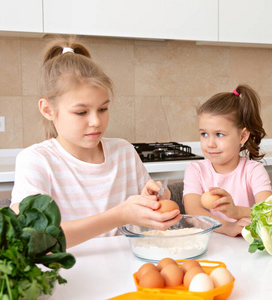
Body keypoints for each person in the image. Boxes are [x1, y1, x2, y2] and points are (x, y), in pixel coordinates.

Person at [10, 37, 181, 248]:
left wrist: (153, 199)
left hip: (126, 267)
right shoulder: (37, 161)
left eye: (103, 109)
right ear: (48, 110)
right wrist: (119, 215)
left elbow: (144, 217)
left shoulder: (123, 152)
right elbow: (34, 238)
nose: (96, 121)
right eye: (81, 112)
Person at [183, 85, 272, 237]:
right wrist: (227, 227)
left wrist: (236, 211)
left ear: (242, 136)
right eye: (204, 134)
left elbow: (269, 212)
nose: (210, 143)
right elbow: (193, 212)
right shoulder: (195, 169)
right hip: (210, 246)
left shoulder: (253, 171)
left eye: (219, 134)